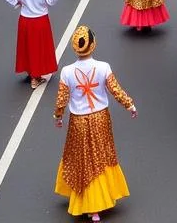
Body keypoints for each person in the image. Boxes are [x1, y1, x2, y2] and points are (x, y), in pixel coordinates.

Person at [54, 25, 136, 223]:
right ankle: (97, 205)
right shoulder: (103, 67)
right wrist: (130, 105)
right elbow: (116, 90)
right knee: (101, 157)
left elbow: (62, 100)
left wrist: (58, 116)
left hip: (78, 121)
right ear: (93, 45)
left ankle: (84, 201)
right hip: (100, 118)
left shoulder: (66, 72)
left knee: (81, 158)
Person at [2, 0, 60, 89]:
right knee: (39, 48)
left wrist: (18, 3)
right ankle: (36, 77)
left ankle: (31, 71)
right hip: (40, 19)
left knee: (28, 48)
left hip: (25, 19)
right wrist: (46, 2)